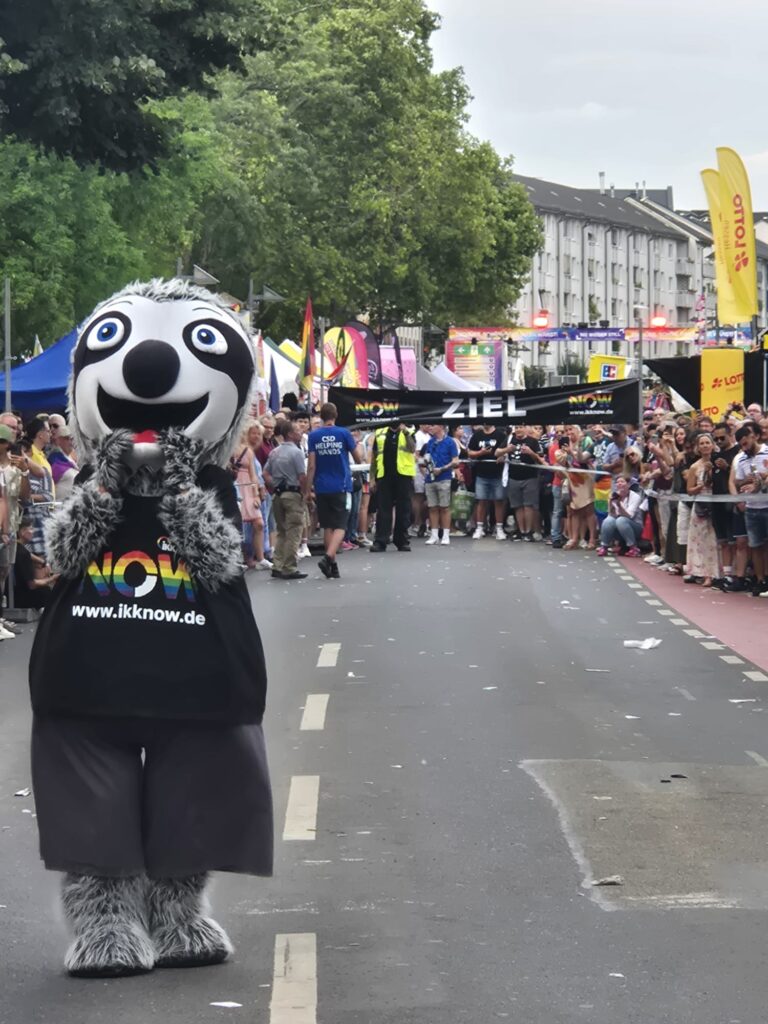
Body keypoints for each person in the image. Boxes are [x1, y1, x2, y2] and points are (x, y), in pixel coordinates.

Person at [306, 402, 361, 579]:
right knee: (341, 525)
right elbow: (358, 458)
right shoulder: (344, 433)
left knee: (328, 526)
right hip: (341, 485)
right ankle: (328, 557)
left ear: (321, 417)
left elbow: (311, 465)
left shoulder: (313, 436)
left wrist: (307, 489)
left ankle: (333, 566)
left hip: (321, 486)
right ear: (336, 415)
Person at [263, 420, 310, 580]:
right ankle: (289, 567)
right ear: (290, 434)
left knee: (282, 531)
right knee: (294, 531)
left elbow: (265, 473)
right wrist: (305, 493)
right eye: (297, 430)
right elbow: (302, 476)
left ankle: (277, 565)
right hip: (293, 493)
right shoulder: (296, 452)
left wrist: (275, 485)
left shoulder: (274, 452)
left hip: (278, 494)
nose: (301, 432)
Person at [731, 423, 768, 596]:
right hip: (752, 509)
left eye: (746, 443)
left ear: (754, 437)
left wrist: (761, 480)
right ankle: (760, 580)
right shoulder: (741, 459)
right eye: (741, 445)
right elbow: (738, 482)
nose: (744, 448)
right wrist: (747, 481)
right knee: (755, 545)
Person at [370, 422, 417, 553]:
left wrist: (405, 432)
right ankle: (381, 541)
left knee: (404, 510)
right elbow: (374, 456)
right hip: (384, 476)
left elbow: (412, 449)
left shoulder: (409, 432)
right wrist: (372, 478)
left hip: (403, 475)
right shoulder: (380, 433)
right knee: (383, 509)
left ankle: (402, 541)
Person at [231, 427, 271, 571]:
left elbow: (253, 474)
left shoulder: (248, 451)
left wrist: (255, 495)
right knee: (236, 526)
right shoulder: (227, 450)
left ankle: (260, 558)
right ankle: (238, 559)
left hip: (247, 487)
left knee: (259, 523)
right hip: (234, 486)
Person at [684, 432, 719, 587]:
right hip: (700, 506)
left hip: (716, 505)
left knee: (715, 540)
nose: (705, 446)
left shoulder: (718, 462)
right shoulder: (694, 467)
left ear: (712, 445)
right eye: (702, 443)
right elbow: (689, 490)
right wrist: (699, 488)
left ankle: (718, 573)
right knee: (701, 541)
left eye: (707, 443)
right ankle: (704, 573)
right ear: (698, 447)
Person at [467, 421, 507, 540]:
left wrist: (503, 455)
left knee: (498, 501)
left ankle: (499, 528)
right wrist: (481, 452)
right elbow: (470, 453)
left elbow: (506, 450)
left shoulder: (500, 435)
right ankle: (479, 528)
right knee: (481, 501)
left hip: (498, 474)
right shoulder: (477, 435)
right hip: (481, 474)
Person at [504, 425, 544, 542]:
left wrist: (531, 453)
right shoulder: (510, 439)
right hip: (513, 477)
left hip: (529, 477)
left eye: (521, 427)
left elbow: (540, 459)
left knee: (528, 505)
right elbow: (497, 452)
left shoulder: (533, 441)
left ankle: (529, 531)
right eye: (516, 427)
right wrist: (506, 450)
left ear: (526, 429)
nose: (518, 430)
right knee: (517, 506)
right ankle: (521, 531)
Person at [421, 423, 459, 545]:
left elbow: (455, 461)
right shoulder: (430, 442)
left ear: (441, 427)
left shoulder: (450, 442)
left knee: (445, 507)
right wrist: (425, 464)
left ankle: (446, 535)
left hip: (444, 477)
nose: (430, 427)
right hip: (430, 478)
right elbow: (426, 458)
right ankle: (434, 535)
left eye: (433, 425)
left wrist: (442, 468)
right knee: (432, 507)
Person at [596, 476, 647, 556]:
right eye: (617, 482)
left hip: (635, 527)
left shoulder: (635, 496)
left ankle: (633, 548)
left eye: (622, 482)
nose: (619, 484)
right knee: (608, 520)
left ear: (628, 485)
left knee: (621, 520)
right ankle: (604, 546)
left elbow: (630, 516)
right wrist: (610, 503)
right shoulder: (614, 495)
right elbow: (610, 514)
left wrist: (619, 505)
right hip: (619, 527)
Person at [13, 518, 58, 609]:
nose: (33, 531)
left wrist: (43, 562)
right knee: (46, 592)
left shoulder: (16, 547)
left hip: (16, 592)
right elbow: (32, 584)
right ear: (22, 532)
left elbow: (29, 555)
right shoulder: (23, 554)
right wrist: (52, 579)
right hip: (22, 597)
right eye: (31, 528)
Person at [47, 424, 79, 502]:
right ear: (58, 440)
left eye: (72, 438)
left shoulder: (72, 459)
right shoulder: (54, 460)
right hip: (58, 505)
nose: (71, 442)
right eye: (67, 438)